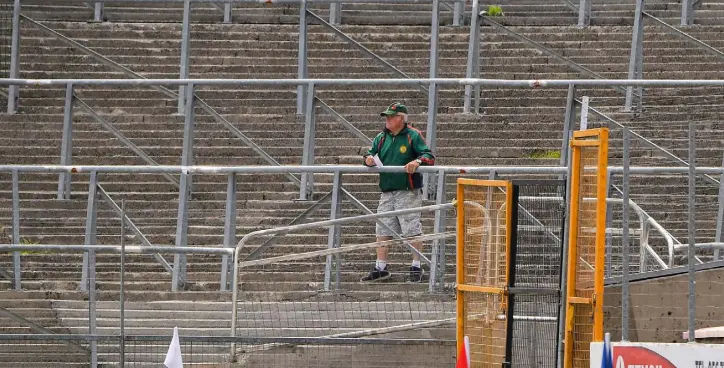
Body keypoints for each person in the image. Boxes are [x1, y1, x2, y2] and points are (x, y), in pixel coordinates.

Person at [361, 102, 435, 283]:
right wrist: (368, 160)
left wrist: (417, 162)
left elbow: (428, 156)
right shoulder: (380, 137)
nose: (387, 119)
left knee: (411, 228)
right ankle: (381, 266)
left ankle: (416, 266)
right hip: (387, 190)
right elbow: (369, 155)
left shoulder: (413, 135)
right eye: (386, 116)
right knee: (382, 228)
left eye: (391, 116)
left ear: (401, 119)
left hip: (407, 190)